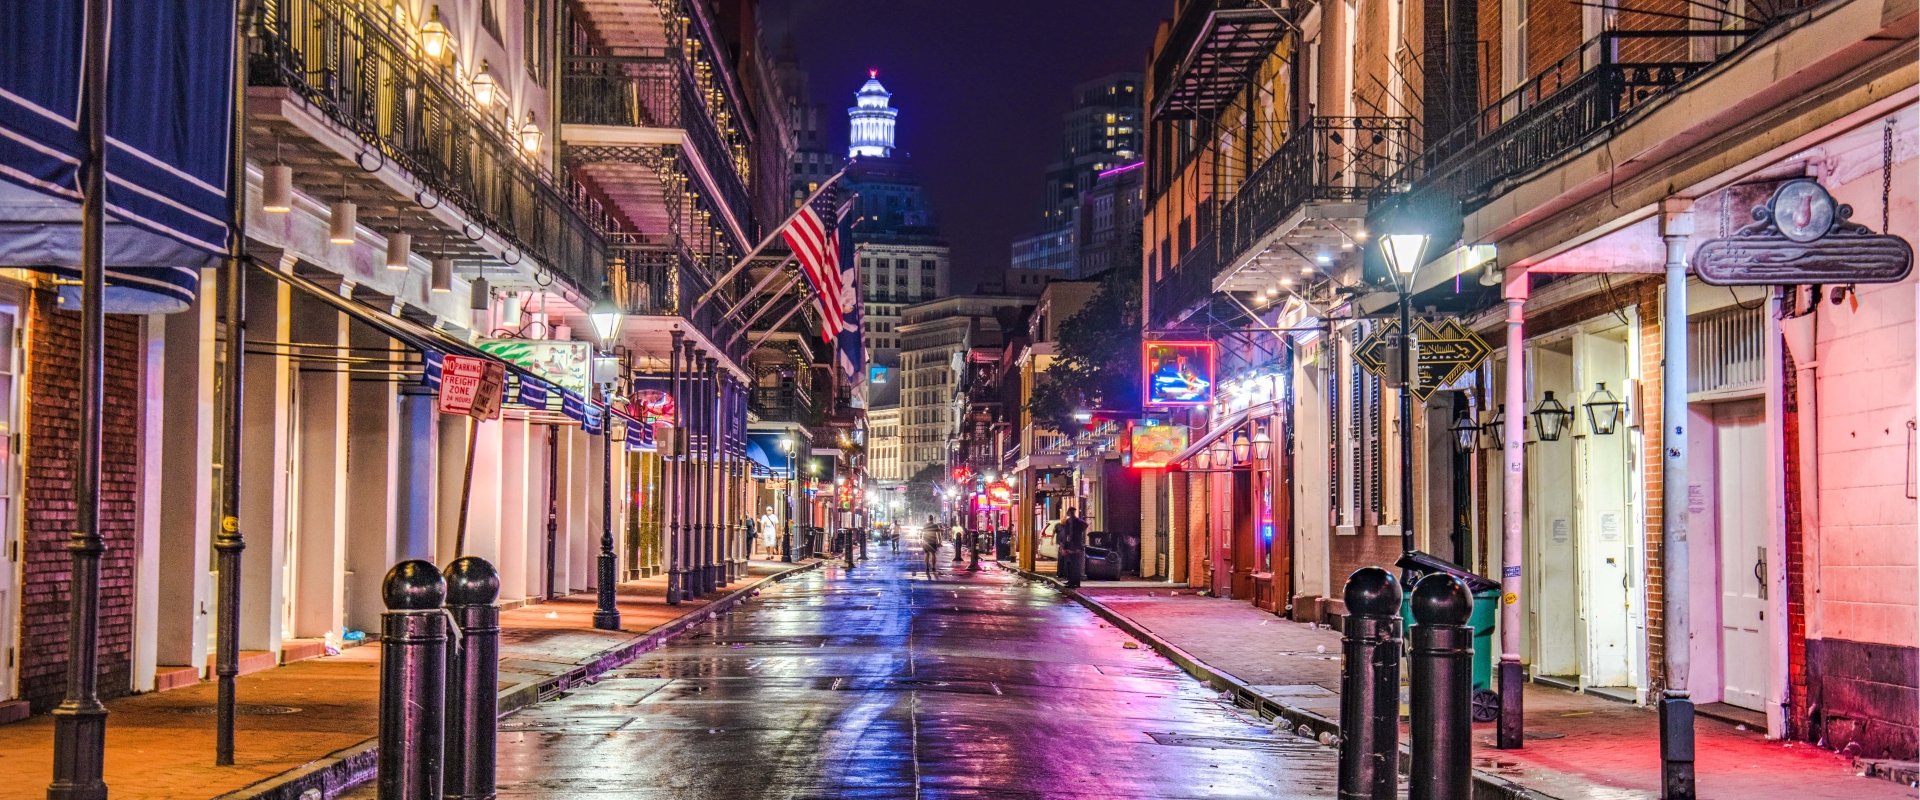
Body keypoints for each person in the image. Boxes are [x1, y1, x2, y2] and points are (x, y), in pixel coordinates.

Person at [1057, 506, 1089, 589]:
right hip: (1070, 545)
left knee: (1075, 564)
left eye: (1072, 512)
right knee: (1070, 564)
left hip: (1076, 545)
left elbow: (1085, 525)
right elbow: (1066, 534)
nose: (1071, 514)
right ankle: (1071, 581)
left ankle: (1075, 582)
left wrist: (1078, 533)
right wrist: (1064, 545)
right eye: (1070, 512)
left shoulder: (1078, 521)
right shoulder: (1068, 522)